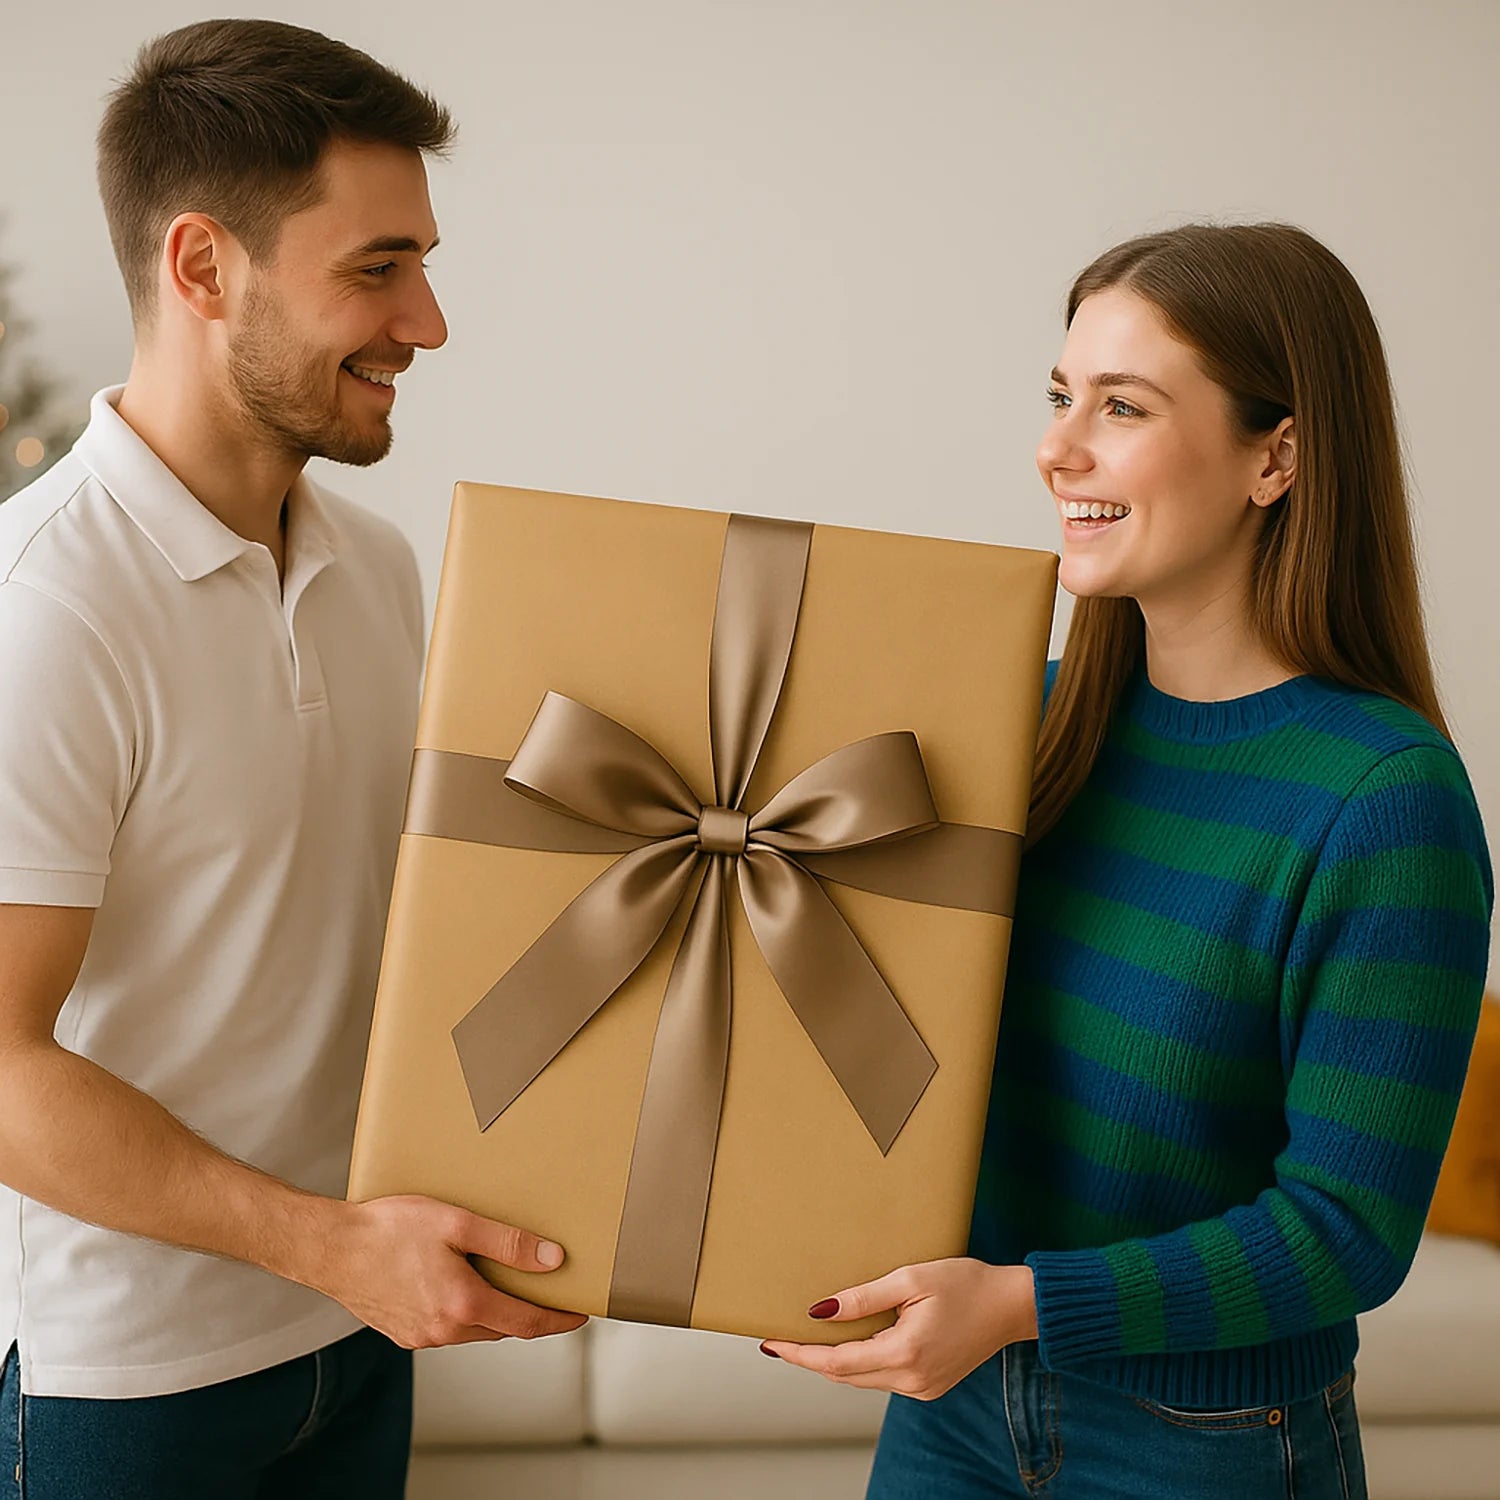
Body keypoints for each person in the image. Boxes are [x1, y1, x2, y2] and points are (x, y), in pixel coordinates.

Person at [762, 222, 1494, 1500]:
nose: (1058, 447)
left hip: (1207, 1442)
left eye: (1122, 405)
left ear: (1278, 455)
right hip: (954, 1413)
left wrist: (1018, 1301)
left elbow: (1347, 1232)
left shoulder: (1383, 801)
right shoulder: (1021, 724)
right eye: (1059, 397)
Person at [0, 20, 584, 1499]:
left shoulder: (376, 566)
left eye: (424, 264)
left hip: (355, 1346)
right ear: (204, 269)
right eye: (378, 268)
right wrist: (333, 1246)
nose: (429, 321)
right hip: (130, 1392)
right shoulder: (46, 608)